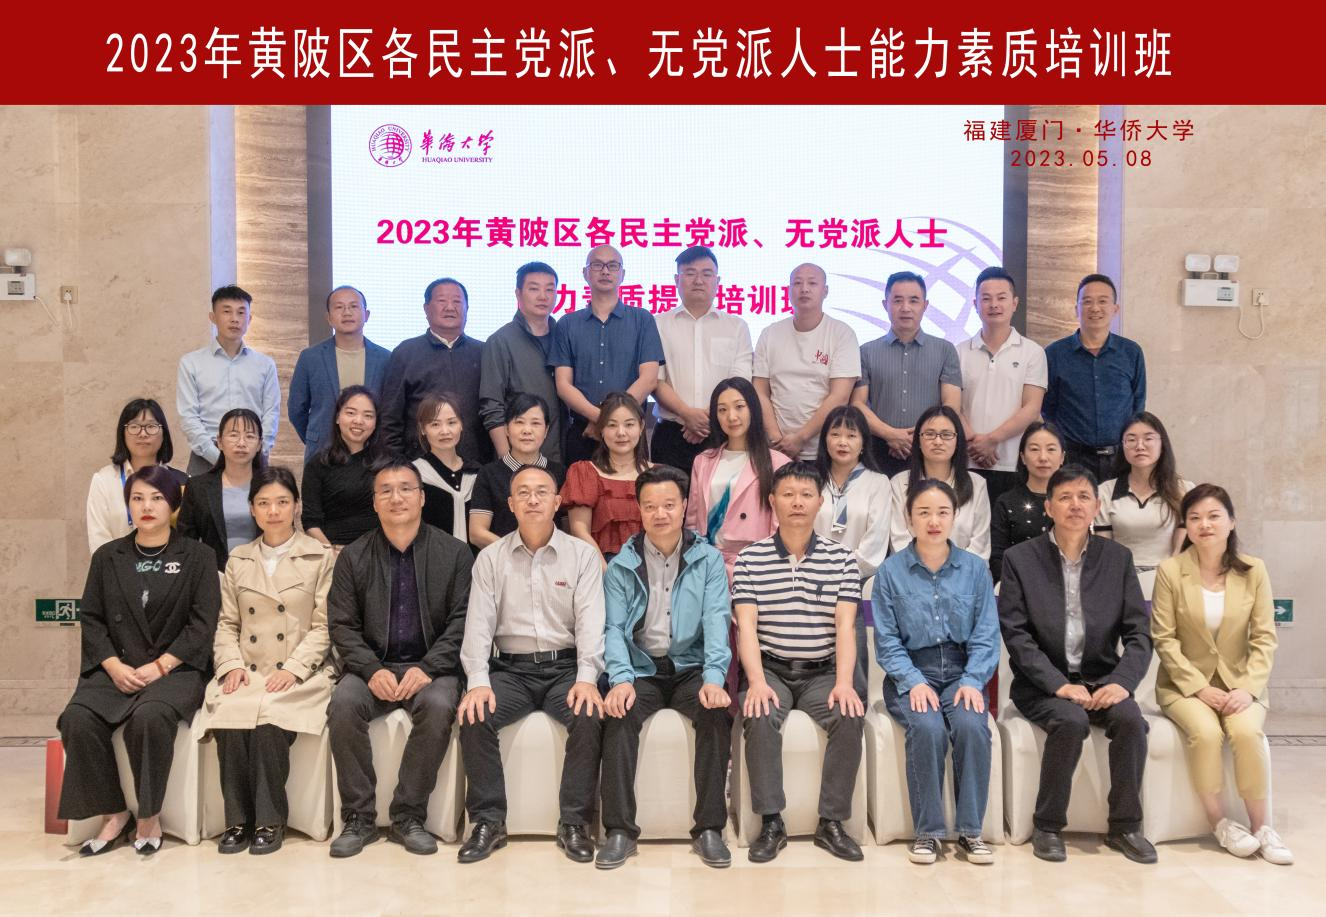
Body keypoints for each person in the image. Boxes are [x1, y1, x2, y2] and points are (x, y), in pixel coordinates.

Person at [58, 465, 220, 856]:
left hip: (175, 670)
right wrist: (112, 665)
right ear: (128, 505)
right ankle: (114, 813)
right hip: (117, 667)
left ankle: (149, 815)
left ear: (173, 505)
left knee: (149, 717)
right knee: (77, 719)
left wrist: (162, 665)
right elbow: (92, 618)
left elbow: (202, 624)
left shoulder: (198, 556)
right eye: (137, 498)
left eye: (157, 498)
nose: (146, 507)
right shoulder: (107, 557)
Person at [997, 465, 1156, 864]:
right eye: (1065, 497)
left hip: (1102, 678)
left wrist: (1122, 682)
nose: (1075, 505)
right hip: (1042, 686)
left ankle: (1125, 827)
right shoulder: (1020, 559)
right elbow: (1017, 635)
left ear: (1097, 506)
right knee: (1070, 720)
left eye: (1084, 497)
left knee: (1131, 720)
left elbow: (1139, 633)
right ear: (1048, 507)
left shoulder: (1117, 559)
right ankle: (1047, 825)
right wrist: (1058, 684)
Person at [456, 465, 605, 864]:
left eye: (541, 492)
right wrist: (477, 680)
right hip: (511, 671)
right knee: (474, 714)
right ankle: (488, 821)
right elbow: (479, 624)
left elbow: (591, 621)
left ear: (557, 502)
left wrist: (588, 677)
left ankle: (574, 822)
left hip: (565, 669)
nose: (533, 499)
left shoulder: (581, 556)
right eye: (523, 493)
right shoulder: (490, 558)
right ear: (510, 504)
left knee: (589, 714)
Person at [325, 459, 472, 858]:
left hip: (432, 667)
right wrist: (371, 670)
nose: (396, 498)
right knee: (343, 704)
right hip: (372, 667)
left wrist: (428, 668)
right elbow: (342, 625)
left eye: (406, 488)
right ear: (374, 502)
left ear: (422, 498)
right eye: (386, 491)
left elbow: (462, 623)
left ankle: (408, 815)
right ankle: (359, 817)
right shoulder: (353, 556)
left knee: (439, 706)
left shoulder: (455, 554)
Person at [597, 465, 734, 869]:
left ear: (684, 505)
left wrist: (714, 678)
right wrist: (620, 680)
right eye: (651, 506)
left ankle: (709, 829)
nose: (660, 514)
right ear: (639, 509)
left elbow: (716, 620)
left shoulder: (707, 559)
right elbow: (613, 629)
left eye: (669, 505)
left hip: (691, 667)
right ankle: (620, 831)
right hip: (641, 668)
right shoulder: (621, 564)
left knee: (715, 713)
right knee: (618, 715)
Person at [1150, 484, 1291, 865]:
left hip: (1242, 684)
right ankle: (1220, 823)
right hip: (1183, 687)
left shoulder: (1254, 570)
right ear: (1186, 526)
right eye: (1195, 518)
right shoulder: (1170, 571)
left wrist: (1247, 688)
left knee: (1246, 733)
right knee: (1207, 733)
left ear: (1231, 522)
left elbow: (1264, 637)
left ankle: (1262, 827)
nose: (1205, 525)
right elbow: (1164, 638)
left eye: (1214, 516)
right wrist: (1198, 688)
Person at [733, 462, 866, 863]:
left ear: (819, 502)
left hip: (822, 671)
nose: (797, 503)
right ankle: (771, 822)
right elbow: (746, 628)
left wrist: (844, 682)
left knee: (849, 714)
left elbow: (845, 627)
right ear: (772, 501)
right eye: (788, 494)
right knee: (759, 713)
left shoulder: (842, 559)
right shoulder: (750, 559)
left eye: (806, 495)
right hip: (771, 668)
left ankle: (832, 823)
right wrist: (757, 681)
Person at [202, 466, 335, 855]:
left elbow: (325, 625)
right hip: (248, 667)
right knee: (230, 715)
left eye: (281, 502)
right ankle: (236, 820)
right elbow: (227, 623)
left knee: (269, 720)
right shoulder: (239, 559)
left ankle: (269, 820)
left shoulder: (319, 556)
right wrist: (231, 665)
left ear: (296, 506)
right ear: (252, 509)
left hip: (302, 670)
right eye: (263, 503)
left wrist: (294, 668)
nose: (273, 511)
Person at [872, 479, 998, 866]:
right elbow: (887, 640)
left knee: (972, 726)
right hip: (913, 671)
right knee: (927, 728)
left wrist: (973, 680)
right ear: (908, 518)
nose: (933, 521)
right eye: (923, 512)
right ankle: (928, 833)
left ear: (955, 516)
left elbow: (986, 634)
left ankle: (971, 831)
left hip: (962, 671)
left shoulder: (975, 570)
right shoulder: (890, 572)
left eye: (943, 512)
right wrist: (912, 681)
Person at [552, 245, 665, 465]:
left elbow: (649, 378)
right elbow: (563, 384)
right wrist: (600, 419)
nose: (605, 271)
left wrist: (610, 421)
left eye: (612, 266)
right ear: (585, 273)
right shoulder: (567, 324)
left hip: (629, 434)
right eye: (597, 265)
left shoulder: (642, 319)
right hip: (584, 432)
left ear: (622, 274)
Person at [652, 245, 754, 472]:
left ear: (717, 281)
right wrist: (687, 414)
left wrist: (705, 419)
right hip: (671, 435)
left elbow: (740, 381)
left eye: (706, 274)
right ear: (676, 280)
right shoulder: (657, 324)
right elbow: (655, 380)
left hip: (723, 433)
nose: (698, 280)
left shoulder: (736, 326)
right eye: (690, 273)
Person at [853, 271, 963, 477]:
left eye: (913, 300)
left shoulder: (945, 350)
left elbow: (951, 404)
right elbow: (857, 403)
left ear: (925, 305)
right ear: (885, 305)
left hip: (930, 449)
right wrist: (890, 435)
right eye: (897, 300)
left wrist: (920, 435)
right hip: (879, 450)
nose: (905, 308)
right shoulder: (866, 351)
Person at [1043, 274, 1146, 483]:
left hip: (1120, 459)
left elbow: (1138, 405)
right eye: (1087, 301)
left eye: (1103, 301)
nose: (1095, 308)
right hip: (1072, 459)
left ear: (1115, 309)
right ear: (1076, 309)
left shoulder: (1131, 352)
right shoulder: (1054, 353)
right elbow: (1047, 408)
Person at [959, 267, 1047, 505]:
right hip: (967, 462)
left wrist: (992, 439)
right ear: (975, 304)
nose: (994, 305)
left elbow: (1032, 408)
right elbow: (952, 405)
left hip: (1014, 462)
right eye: (986, 298)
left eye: (1001, 298)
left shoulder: (1033, 352)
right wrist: (975, 443)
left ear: (1014, 303)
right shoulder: (959, 352)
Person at [753, 263, 860, 461]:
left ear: (825, 291)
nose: (804, 289)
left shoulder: (842, 334)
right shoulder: (770, 333)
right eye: (797, 283)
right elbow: (760, 391)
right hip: (775, 449)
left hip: (825, 450)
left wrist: (800, 438)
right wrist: (777, 440)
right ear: (788, 290)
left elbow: (840, 396)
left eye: (812, 283)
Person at [685, 377, 790, 577]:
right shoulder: (703, 461)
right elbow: (692, 522)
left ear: (753, 409)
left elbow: (780, 526)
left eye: (739, 407)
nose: (731, 416)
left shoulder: (778, 463)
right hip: (707, 565)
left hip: (756, 566)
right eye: (722, 410)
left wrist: (771, 567)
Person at [379, 277, 487, 464]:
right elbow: (390, 417)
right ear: (426, 308)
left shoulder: (484, 352)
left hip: (477, 465)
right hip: (419, 466)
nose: (450, 307)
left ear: (467, 308)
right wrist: (399, 465)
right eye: (442, 301)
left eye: (457, 301)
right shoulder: (406, 352)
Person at [176, 285, 280, 474]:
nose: (234, 319)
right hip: (206, 458)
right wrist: (217, 457)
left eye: (241, 312)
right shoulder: (191, 363)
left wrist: (257, 452)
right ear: (213, 317)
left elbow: (271, 414)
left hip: (253, 458)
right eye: (226, 311)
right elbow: (189, 417)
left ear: (249, 319)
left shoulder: (265, 365)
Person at [1095, 412, 1193, 601]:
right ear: (1122, 446)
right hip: (1121, 583)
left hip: (1171, 582)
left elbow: (1182, 551)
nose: (1139, 446)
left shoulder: (1184, 490)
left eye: (1148, 438)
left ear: (1162, 443)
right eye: (1131, 440)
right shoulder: (1105, 492)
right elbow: (1105, 550)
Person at [288, 285, 391, 463]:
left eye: (353, 306)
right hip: (322, 451)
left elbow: (390, 409)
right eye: (339, 307)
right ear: (329, 318)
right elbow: (297, 409)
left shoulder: (386, 358)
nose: (347, 312)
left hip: (372, 454)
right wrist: (316, 436)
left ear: (366, 315)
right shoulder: (310, 357)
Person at [479, 261, 565, 464]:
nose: (543, 296)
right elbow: (492, 406)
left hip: (561, 455)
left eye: (550, 289)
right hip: (518, 457)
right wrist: (508, 461)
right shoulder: (501, 341)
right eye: (534, 289)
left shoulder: (564, 336)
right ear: (518, 294)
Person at [887, 406, 991, 560]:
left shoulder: (977, 484)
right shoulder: (899, 483)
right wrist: (926, 569)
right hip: (911, 571)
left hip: (965, 572)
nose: (937, 441)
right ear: (918, 440)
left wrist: (951, 570)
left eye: (946, 434)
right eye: (929, 434)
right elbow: (899, 540)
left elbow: (979, 546)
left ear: (957, 441)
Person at [87, 398, 188, 553]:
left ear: (164, 434)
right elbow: (98, 539)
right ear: (123, 433)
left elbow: (189, 541)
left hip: (171, 566)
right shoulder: (104, 481)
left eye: (151, 426)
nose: (142, 434)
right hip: (116, 566)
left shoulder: (183, 482)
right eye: (134, 427)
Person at [469, 393, 567, 550]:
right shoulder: (488, 474)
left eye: (535, 423)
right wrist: (518, 553)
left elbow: (567, 529)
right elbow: (477, 533)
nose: (527, 430)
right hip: (503, 560)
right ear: (506, 429)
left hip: (552, 560)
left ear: (546, 430)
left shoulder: (560, 473)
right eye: (519, 422)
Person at [562, 392, 650, 563]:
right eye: (612, 425)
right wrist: (608, 573)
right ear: (601, 429)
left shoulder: (659, 476)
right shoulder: (584, 472)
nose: (621, 433)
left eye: (629, 424)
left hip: (651, 568)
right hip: (600, 566)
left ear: (641, 427)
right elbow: (579, 530)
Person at [177, 409, 266, 572]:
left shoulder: (271, 486)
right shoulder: (198, 487)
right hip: (213, 574)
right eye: (233, 435)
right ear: (219, 442)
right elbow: (186, 541)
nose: (241, 443)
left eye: (250, 436)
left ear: (259, 444)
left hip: (263, 574)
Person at [813, 405, 892, 585]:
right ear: (824, 440)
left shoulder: (878, 483)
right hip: (812, 578)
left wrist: (842, 574)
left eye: (851, 435)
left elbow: (876, 541)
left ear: (863, 443)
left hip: (858, 581)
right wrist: (815, 570)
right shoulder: (811, 481)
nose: (842, 442)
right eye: (835, 434)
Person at [301, 386, 385, 550]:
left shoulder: (388, 463)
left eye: (368, 415)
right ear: (337, 417)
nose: (358, 421)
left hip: (380, 553)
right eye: (351, 413)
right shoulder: (318, 465)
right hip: (335, 551)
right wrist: (332, 553)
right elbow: (311, 522)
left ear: (375, 423)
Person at [990, 421, 1065, 584]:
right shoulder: (1006, 503)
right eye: (1034, 449)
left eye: (1051, 449)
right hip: (1017, 588)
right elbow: (997, 558)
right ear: (1023, 457)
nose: (1043, 457)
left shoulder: (1073, 502)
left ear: (1062, 457)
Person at [413, 394, 479, 543]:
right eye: (435, 424)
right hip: (429, 553)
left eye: (451, 422)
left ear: (461, 425)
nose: (445, 431)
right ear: (423, 429)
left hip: (475, 556)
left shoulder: (477, 473)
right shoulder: (413, 474)